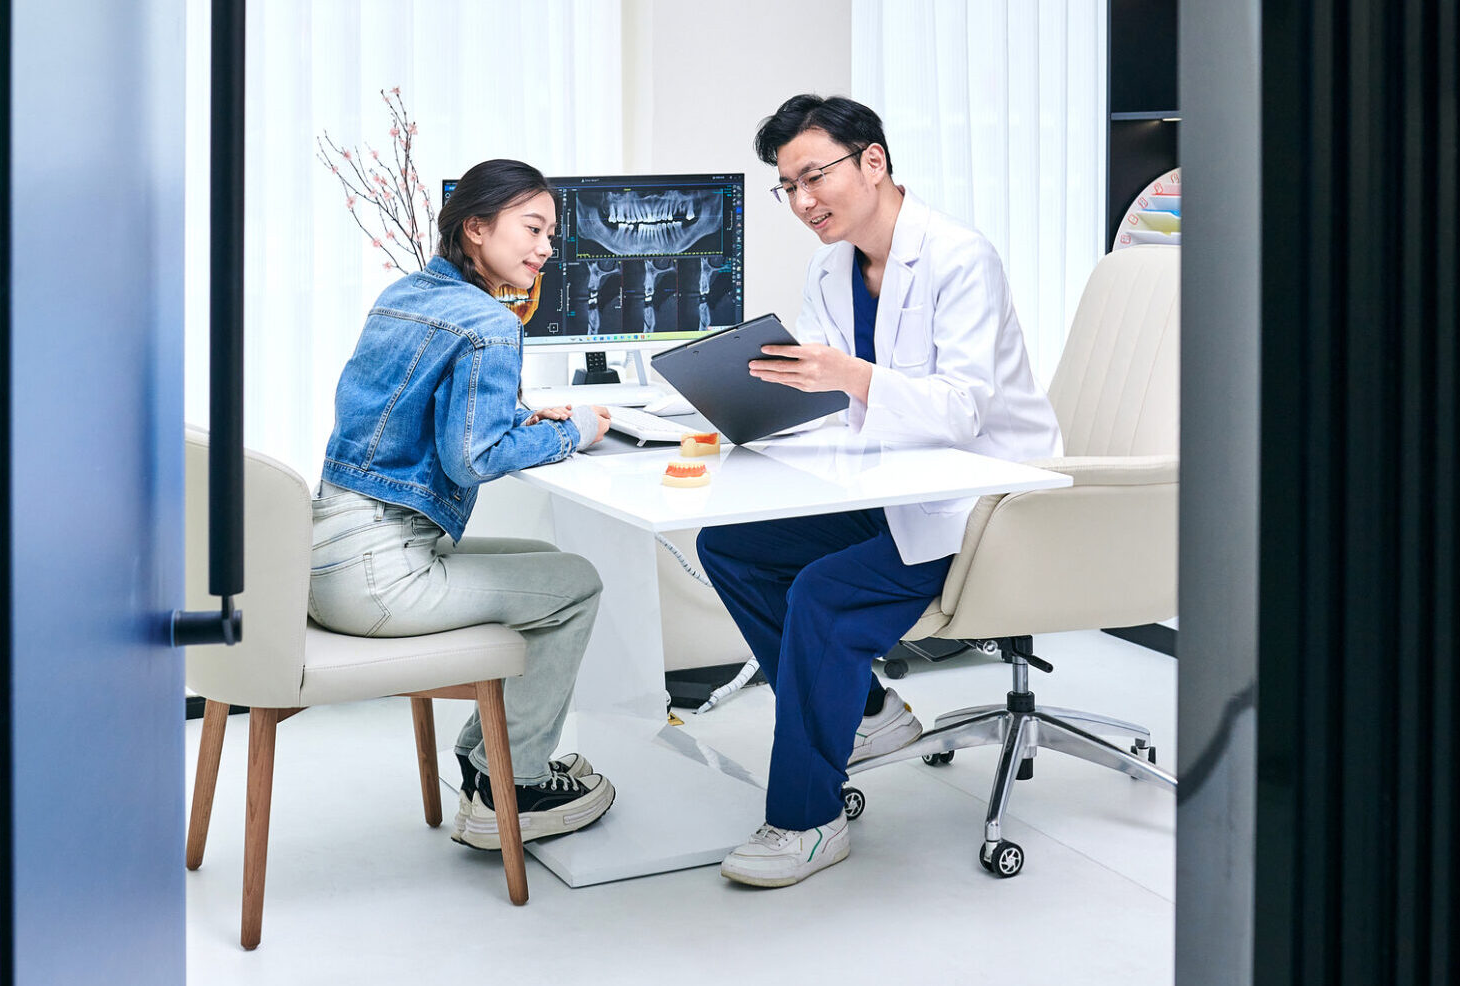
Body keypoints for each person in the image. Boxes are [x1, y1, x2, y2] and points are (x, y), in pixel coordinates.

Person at [698, 95, 1062, 887]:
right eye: (787, 188)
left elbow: (962, 412)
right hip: (897, 489)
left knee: (823, 596)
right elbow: (834, 399)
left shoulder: (961, 258)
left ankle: (807, 819)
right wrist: (749, 399)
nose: (802, 202)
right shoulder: (831, 268)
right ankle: (868, 713)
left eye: (813, 177)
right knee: (730, 545)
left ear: (873, 161)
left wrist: (848, 375)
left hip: (985, 510)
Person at [311, 158, 617, 849]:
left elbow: (431, 420)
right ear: (476, 228)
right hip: (382, 578)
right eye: (532, 229)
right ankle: (517, 787)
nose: (546, 248)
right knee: (577, 584)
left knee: (543, 562)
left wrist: (522, 420)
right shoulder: (488, 322)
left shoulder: (404, 294)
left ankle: (488, 763)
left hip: (328, 560)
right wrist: (575, 431)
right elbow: (472, 458)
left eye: (550, 234)